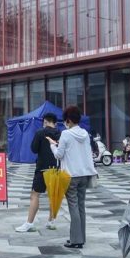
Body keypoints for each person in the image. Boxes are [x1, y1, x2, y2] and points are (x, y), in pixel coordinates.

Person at [49, 106, 97, 248]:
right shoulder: (85, 133)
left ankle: (76, 240)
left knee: (73, 207)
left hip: (70, 175)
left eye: (65, 121)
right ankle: (81, 237)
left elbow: (59, 155)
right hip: (85, 174)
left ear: (68, 120)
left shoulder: (66, 134)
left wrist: (52, 145)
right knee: (81, 205)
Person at [16, 113, 60, 232]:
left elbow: (34, 149)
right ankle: (51, 221)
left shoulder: (40, 132)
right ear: (55, 123)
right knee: (53, 196)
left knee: (35, 195)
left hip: (42, 168)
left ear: (45, 121)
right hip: (56, 169)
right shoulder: (60, 133)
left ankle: (29, 223)